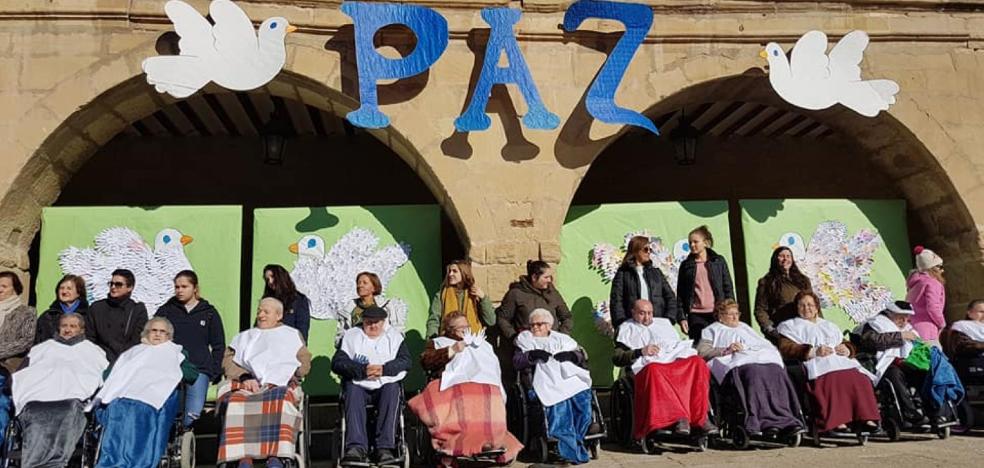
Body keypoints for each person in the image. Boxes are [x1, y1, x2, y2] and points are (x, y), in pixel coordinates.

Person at [409, 312, 522, 464]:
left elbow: (493, 366)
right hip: (449, 383)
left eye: (466, 326)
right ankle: (457, 442)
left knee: (491, 395)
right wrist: (451, 350)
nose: (465, 330)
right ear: (449, 329)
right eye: (460, 328)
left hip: (482, 382)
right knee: (463, 397)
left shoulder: (480, 343)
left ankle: (491, 441)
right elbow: (426, 361)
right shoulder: (439, 342)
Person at [217, 298, 311, 468]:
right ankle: (243, 457)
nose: (260, 315)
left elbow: (304, 360)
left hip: (280, 384)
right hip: (248, 383)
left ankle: (277, 456)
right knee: (235, 401)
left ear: (279, 315)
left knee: (281, 400)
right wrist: (245, 377)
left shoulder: (291, 335)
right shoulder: (244, 337)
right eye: (259, 311)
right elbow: (228, 362)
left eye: (266, 312)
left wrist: (293, 372)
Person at [93, 317, 199, 468]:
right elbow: (109, 374)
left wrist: (172, 368)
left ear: (169, 336)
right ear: (146, 333)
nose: (157, 334)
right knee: (116, 408)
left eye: (162, 332)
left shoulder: (175, 352)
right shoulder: (134, 352)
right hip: (126, 396)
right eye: (153, 330)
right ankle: (113, 460)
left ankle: (136, 462)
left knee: (140, 412)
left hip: (154, 397)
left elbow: (192, 375)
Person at [12, 314, 109, 468]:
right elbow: (21, 374)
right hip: (37, 398)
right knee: (34, 411)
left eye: (73, 326)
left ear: (81, 329)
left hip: (72, 400)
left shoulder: (93, 350)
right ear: (58, 328)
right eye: (64, 326)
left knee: (68, 410)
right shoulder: (42, 348)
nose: (68, 330)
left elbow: (99, 375)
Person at [777, 292, 880, 433]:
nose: (806, 308)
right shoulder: (789, 326)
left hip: (840, 360)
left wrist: (847, 349)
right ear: (797, 307)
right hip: (817, 362)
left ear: (817, 307)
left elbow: (844, 342)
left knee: (860, 379)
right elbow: (786, 348)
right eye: (802, 305)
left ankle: (865, 418)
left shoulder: (828, 325)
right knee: (832, 380)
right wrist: (813, 351)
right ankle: (838, 422)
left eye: (810, 305)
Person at [613, 299, 717, 439]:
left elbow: (677, 344)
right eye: (642, 313)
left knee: (697, 363)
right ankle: (679, 417)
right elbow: (618, 358)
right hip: (649, 366)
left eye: (650, 313)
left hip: (673, 361)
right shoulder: (626, 328)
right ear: (633, 312)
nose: (647, 317)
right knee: (655, 370)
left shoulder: (664, 324)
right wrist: (640, 351)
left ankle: (701, 416)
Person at [697, 299, 803, 436]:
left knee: (776, 371)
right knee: (754, 373)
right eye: (730, 314)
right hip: (738, 364)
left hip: (760, 359)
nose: (735, 317)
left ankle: (786, 419)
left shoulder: (745, 327)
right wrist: (725, 350)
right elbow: (702, 352)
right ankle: (761, 420)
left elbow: (765, 345)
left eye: (737, 313)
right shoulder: (712, 330)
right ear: (720, 316)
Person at [855, 300, 963, 428]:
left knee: (927, 374)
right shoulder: (874, 323)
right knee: (894, 375)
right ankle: (911, 413)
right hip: (884, 363)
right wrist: (900, 336)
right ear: (890, 314)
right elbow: (871, 341)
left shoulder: (906, 327)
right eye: (901, 318)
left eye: (907, 318)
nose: (905, 321)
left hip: (908, 362)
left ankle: (936, 414)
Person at [332, 305, 411, 465]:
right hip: (359, 383)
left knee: (392, 390)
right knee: (352, 391)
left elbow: (406, 361)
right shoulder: (352, 336)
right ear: (363, 321)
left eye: (377, 322)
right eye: (369, 322)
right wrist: (362, 370)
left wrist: (385, 369)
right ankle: (356, 446)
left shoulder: (394, 338)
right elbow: (337, 363)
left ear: (383, 322)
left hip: (385, 382)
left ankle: (385, 448)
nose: (373, 326)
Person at [513, 308, 594, 464]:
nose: (535, 328)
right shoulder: (525, 339)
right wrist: (531, 356)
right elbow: (517, 362)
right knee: (558, 404)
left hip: (568, 378)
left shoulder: (562, 339)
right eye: (532, 325)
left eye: (539, 324)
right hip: (544, 381)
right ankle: (568, 446)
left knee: (583, 396)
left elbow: (581, 355)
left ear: (549, 325)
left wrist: (571, 356)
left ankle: (578, 438)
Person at [155, 270, 225, 428]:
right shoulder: (166, 311)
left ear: (195, 288)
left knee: (192, 415)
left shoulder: (209, 313)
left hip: (199, 369)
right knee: (169, 411)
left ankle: (185, 445)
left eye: (184, 286)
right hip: (171, 369)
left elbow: (218, 345)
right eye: (177, 287)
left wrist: (214, 371)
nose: (179, 290)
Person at [609, 236, 681, 331]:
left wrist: (668, 320)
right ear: (635, 251)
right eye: (646, 249)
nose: (649, 252)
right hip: (633, 326)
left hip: (657, 324)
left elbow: (670, 297)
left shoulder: (656, 273)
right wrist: (622, 325)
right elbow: (616, 301)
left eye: (650, 249)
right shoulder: (623, 274)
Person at [678, 226, 735, 341]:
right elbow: (680, 294)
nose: (692, 245)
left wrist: (730, 310)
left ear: (705, 243)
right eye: (690, 242)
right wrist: (682, 317)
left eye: (695, 242)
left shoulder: (718, 261)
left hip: (717, 313)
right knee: (701, 347)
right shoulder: (686, 265)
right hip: (696, 315)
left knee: (720, 345)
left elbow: (727, 287)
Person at [497, 260, 573, 341]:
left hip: (553, 343)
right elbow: (503, 318)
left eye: (550, 277)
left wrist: (561, 336)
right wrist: (515, 338)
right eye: (546, 277)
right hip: (527, 345)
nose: (549, 280)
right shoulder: (516, 294)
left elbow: (566, 317)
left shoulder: (553, 293)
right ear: (534, 278)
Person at [86, 268, 148, 362]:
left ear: (130, 287)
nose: (113, 287)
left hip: (127, 360)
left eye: (118, 284)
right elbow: (89, 337)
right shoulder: (96, 308)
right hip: (99, 360)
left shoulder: (137, 310)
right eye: (111, 284)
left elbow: (138, 339)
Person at [754, 247, 813, 343]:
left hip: (805, 331)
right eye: (781, 256)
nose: (785, 259)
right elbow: (760, 310)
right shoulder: (767, 282)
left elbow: (813, 304)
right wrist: (770, 330)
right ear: (775, 259)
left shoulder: (803, 280)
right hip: (782, 332)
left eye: (788, 256)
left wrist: (819, 324)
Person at [425, 260, 495, 338]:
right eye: (449, 271)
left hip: (473, 340)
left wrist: (483, 298)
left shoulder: (475, 294)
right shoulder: (442, 294)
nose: (450, 274)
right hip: (448, 340)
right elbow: (434, 319)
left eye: (455, 271)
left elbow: (491, 321)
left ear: (464, 273)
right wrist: (431, 339)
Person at [906, 246, 946, 343]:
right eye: (940, 267)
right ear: (932, 268)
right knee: (931, 355)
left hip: (912, 327)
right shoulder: (932, 283)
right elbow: (933, 307)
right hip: (928, 329)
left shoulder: (914, 285)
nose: (942, 270)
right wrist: (942, 323)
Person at [262, 264, 311, 342]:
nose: (270, 282)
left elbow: (302, 331)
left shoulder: (299, 300)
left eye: (273, 276)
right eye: (267, 279)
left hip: (289, 347)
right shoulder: (267, 301)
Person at [35, 274, 88, 344]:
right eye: (61, 288)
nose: (64, 292)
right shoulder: (47, 316)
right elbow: (37, 341)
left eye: (69, 288)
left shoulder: (88, 316)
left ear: (78, 292)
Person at [0, 271, 36, 374]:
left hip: (7, 367)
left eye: (4, 286)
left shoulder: (27, 312)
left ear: (15, 289)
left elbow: (26, 341)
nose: (0, 289)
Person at [335, 271, 382, 348]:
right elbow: (341, 333)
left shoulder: (384, 307)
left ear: (374, 288)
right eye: (358, 283)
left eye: (365, 283)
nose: (360, 285)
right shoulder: (349, 308)